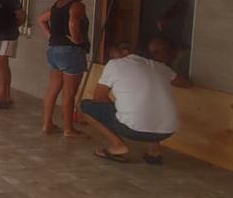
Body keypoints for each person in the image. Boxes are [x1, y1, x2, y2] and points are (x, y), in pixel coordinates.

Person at [81, 36, 192, 165]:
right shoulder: (160, 67)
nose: (111, 57)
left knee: (84, 106)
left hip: (134, 130)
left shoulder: (115, 64)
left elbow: (98, 98)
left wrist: (119, 110)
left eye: (113, 53)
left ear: (126, 52)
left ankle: (118, 146)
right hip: (167, 131)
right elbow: (186, 83)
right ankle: (154, 152)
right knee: (152, 104)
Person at [37, 0, 91, 137]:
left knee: (53, 89)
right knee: (69, 93)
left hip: (54, 51)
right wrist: (76, 38)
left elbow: (41, 19)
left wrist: (51, 36)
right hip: (71, 53)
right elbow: (73, 22)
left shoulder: (57, 5)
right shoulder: (77, 6)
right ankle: (68, 129)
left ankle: (47, 125)